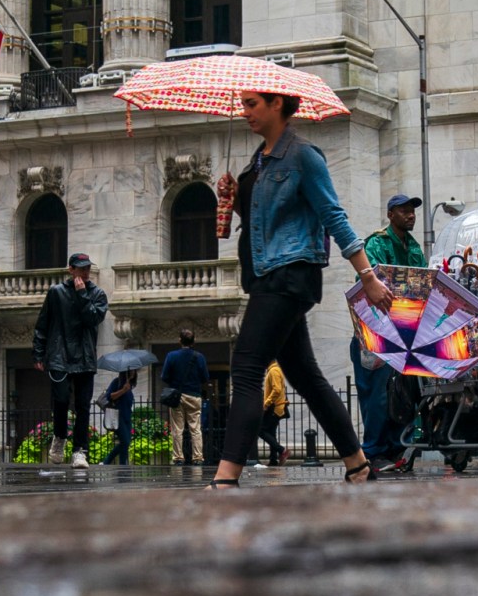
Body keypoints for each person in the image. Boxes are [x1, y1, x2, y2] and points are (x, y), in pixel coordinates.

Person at [207, 89, 394, 489]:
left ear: (278, 104)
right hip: (265, 275)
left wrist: (368, 277)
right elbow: (264, 220)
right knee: (306, 377)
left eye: (252, 104)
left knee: (246, 367)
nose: (245, 112)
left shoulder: (303, 156)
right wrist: (235, 199)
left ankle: (226, 477)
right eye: (243, 104)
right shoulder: (260, 157)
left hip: (288, 276)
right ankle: (358, 465)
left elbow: (334, 217)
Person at [354, 193, 426, 464]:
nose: (411, 215)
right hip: (376, 332)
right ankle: (372, 452)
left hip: (406, 331)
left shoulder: (415, 248)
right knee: (377, 394)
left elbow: (422, 284)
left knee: (403, 392)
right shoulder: (377, 243)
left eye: (413, 211)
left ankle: (396, 448)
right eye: (404, 211)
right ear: (391, 215)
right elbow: (369, 281)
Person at [33, 251, 108, 468]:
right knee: (61, 400)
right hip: (59, 355)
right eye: (80, 268)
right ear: (71, 269)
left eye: (87, 268)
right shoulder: (56, 292)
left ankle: (79, 451)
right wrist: (38, 353)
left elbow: (93, 318)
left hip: (84, 356)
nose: (85, 272)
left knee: (83, 405)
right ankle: (59, 437)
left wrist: (82, 294)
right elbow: (43, 324)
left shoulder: (97, 294)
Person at [160, 328, 210, 465]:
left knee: (177, 429)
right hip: (194, 396)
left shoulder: (171, 356)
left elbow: (164, 376)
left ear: (179, 340)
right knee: (195, 428)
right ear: (194, 341)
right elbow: (205, 378)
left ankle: (178, 458)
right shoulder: (199, 357)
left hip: (177, 396)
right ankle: (198, 457)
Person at [100, 367, 136, 464]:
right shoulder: (117, 382)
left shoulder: (130, 385)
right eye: (131, 370)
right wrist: (123, 390)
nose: (133, 371)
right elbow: (109, 396)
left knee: (125, 443)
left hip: (127, 417)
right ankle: (109, 462)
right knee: (125, 442)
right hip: (117, 416)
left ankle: (121, 464)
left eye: (134, 370)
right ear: (126, 372)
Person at [258, 360, 289, 466]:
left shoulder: (274, 371)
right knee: (271, 432)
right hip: (275, 407)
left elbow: (277, 389)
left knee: (260, 430)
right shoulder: (273, 370)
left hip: (274, 408)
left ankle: (282, 450)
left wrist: (266, 403)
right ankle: (273, 459)